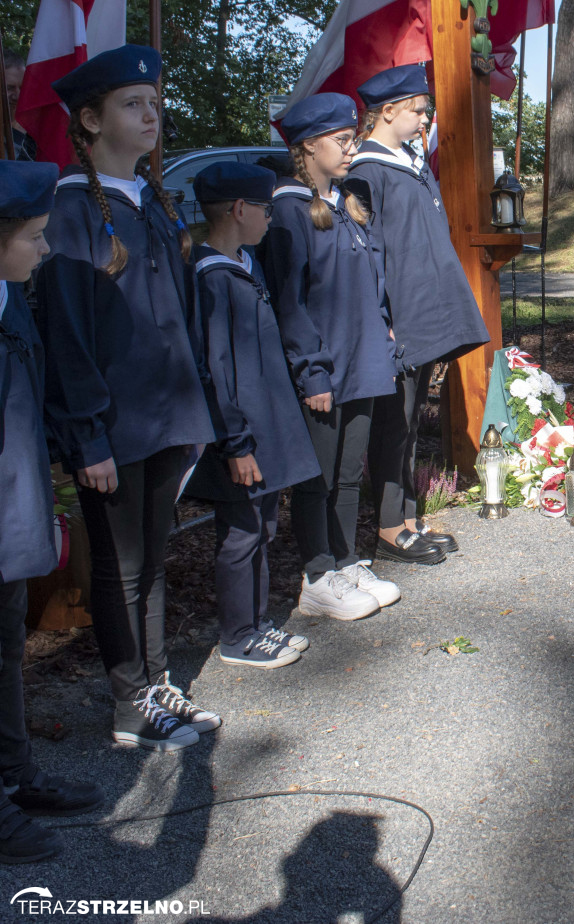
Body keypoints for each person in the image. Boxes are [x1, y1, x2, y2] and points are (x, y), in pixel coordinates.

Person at [36, 45, 220, 751]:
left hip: (166, 413)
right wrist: (86, 435)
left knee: (153, 554)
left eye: (154, 101)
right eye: (132, 104)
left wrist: (196, 410)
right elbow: (68, 332)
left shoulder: (153, 201)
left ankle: (155, 678)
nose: (152, 114)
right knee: (122, 564)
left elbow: (179, 320)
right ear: (89, 119)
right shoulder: (71, 210)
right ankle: (128, 703)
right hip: (113, 423)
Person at [261, 93, 401, 620]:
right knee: (316, 479)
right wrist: (311, 369)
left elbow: (369, 282)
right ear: (308, 146)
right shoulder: (289, 212)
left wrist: (384, 327)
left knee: (347, 474)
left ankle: (345, 560)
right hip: (325, 369)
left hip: (364, 361)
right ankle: (317, 573)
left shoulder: (348, 205)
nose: (350, 148)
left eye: (351, 139)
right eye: (341, 141)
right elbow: (290, 302)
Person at [0, 160, 104, 864]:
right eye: (34, 236)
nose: (44, 249)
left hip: (13, 515)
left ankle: (14, 776)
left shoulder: (10, 302)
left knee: (5, 654)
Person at [348, 64, 490, 565]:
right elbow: (369, 249)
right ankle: (389, 528)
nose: (424, 116)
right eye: (417, 109)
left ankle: (407, 517)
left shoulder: (409, 161)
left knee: (409, 423)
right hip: (399, 317)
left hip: (425, 312)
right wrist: (381, 315)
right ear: (387, 111)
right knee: (394, 423)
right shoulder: (366, 171)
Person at [186, 162, 320, 666]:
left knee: (262, 527)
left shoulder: (244, 262)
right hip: (239, 434)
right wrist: (235, 443)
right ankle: (238, 635)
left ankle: (259, 623)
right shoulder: (210, 276)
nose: (270, 217)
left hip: (264, 428)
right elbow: (215, 369)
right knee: (242, 532)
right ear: (240, 209)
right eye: (264, 208)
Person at [3, 53, 36, 161]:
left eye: (22, 88)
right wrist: (16, 134)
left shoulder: (32, 126)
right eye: (10, 88)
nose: (18, 96)